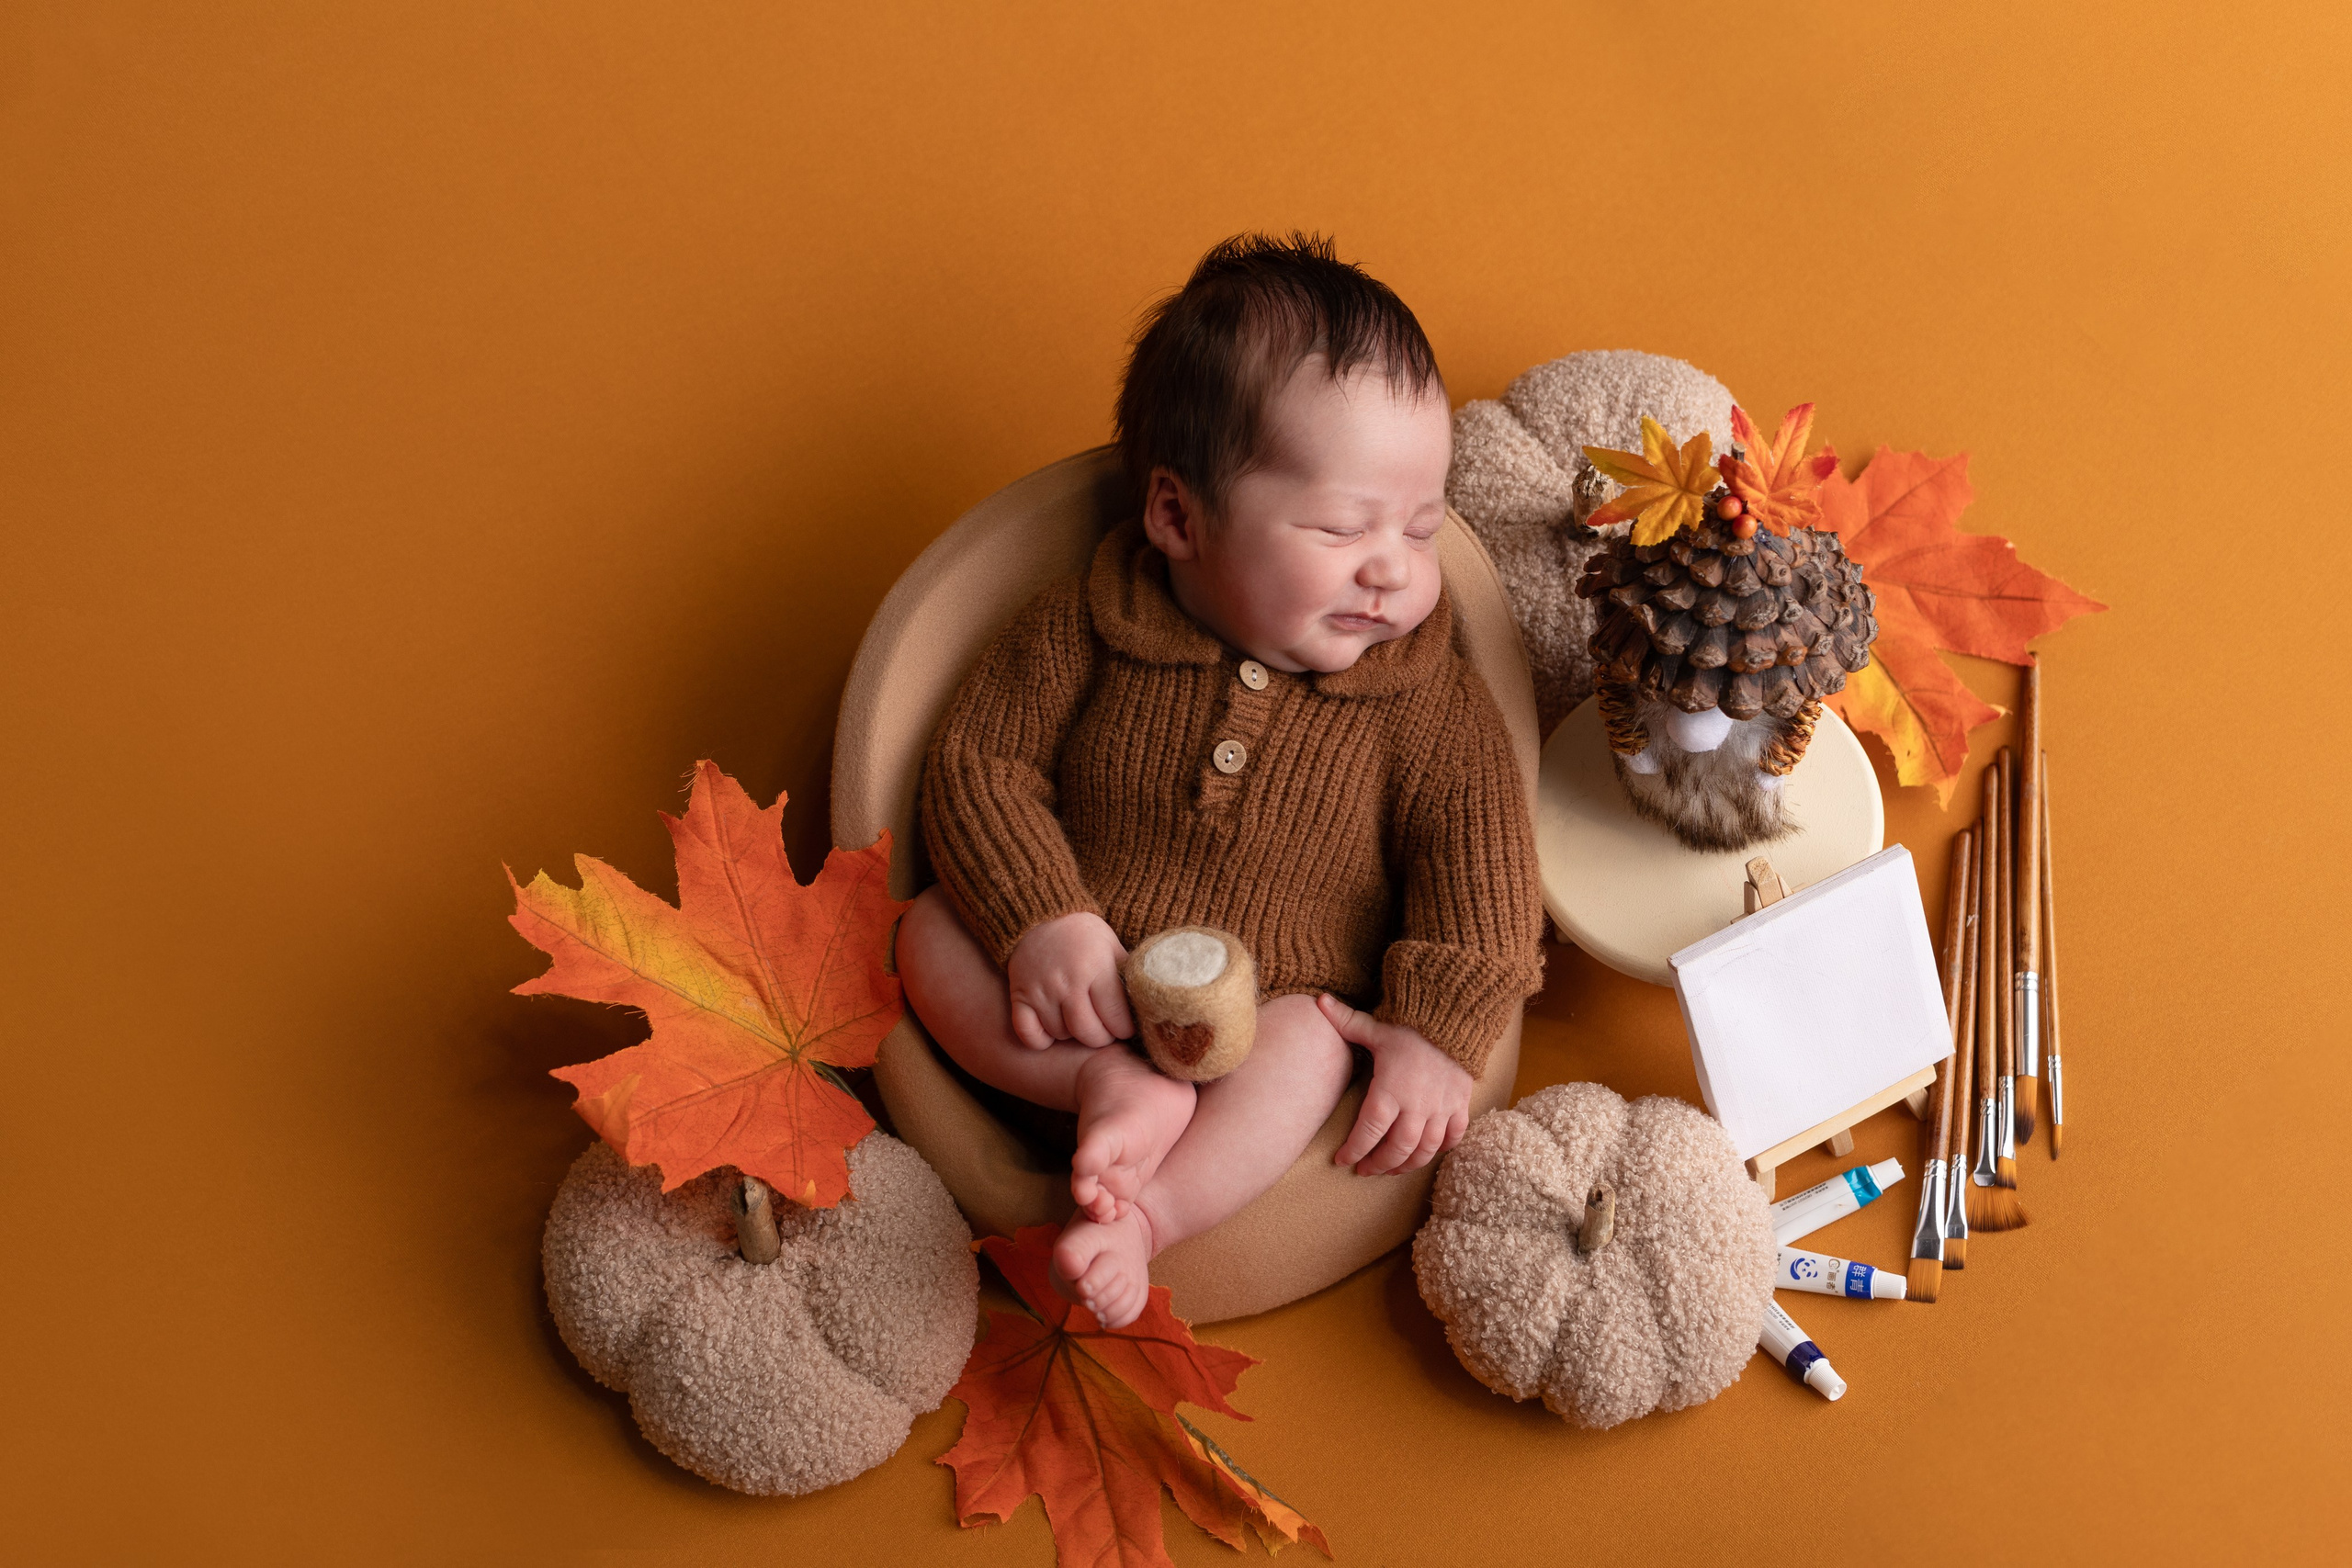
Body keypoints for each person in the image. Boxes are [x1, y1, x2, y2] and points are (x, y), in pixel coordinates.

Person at [897, 232, 1543, 1327]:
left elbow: (1483, 869)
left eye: (1421, 529)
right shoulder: (1082, 627)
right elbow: (976, 766)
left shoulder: (1429, 704)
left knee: (1306, 1043)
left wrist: (1436, 1034)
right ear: (1177, 518)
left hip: (1269, 1016)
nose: (1390, 565)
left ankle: (1149, 1218)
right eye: (1342, 527)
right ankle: (1107, 1091)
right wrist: (1041, 921)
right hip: (1071, 999)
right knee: (920, 930)